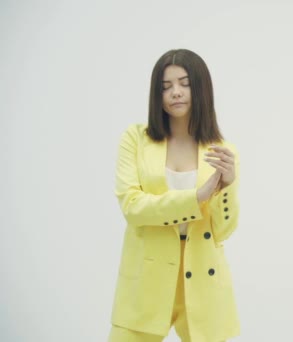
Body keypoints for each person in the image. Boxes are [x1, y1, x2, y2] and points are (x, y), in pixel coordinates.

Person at [108, 49, 241, 342]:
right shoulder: (136, 138)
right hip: (146, 275)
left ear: (201, 87)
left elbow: (222, 231)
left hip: (203, 278)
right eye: (166, 86)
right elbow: (133, 207)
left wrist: (227, 188)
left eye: (184, 83)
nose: (175, 93)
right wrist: (197, 197)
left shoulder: (222, 150)